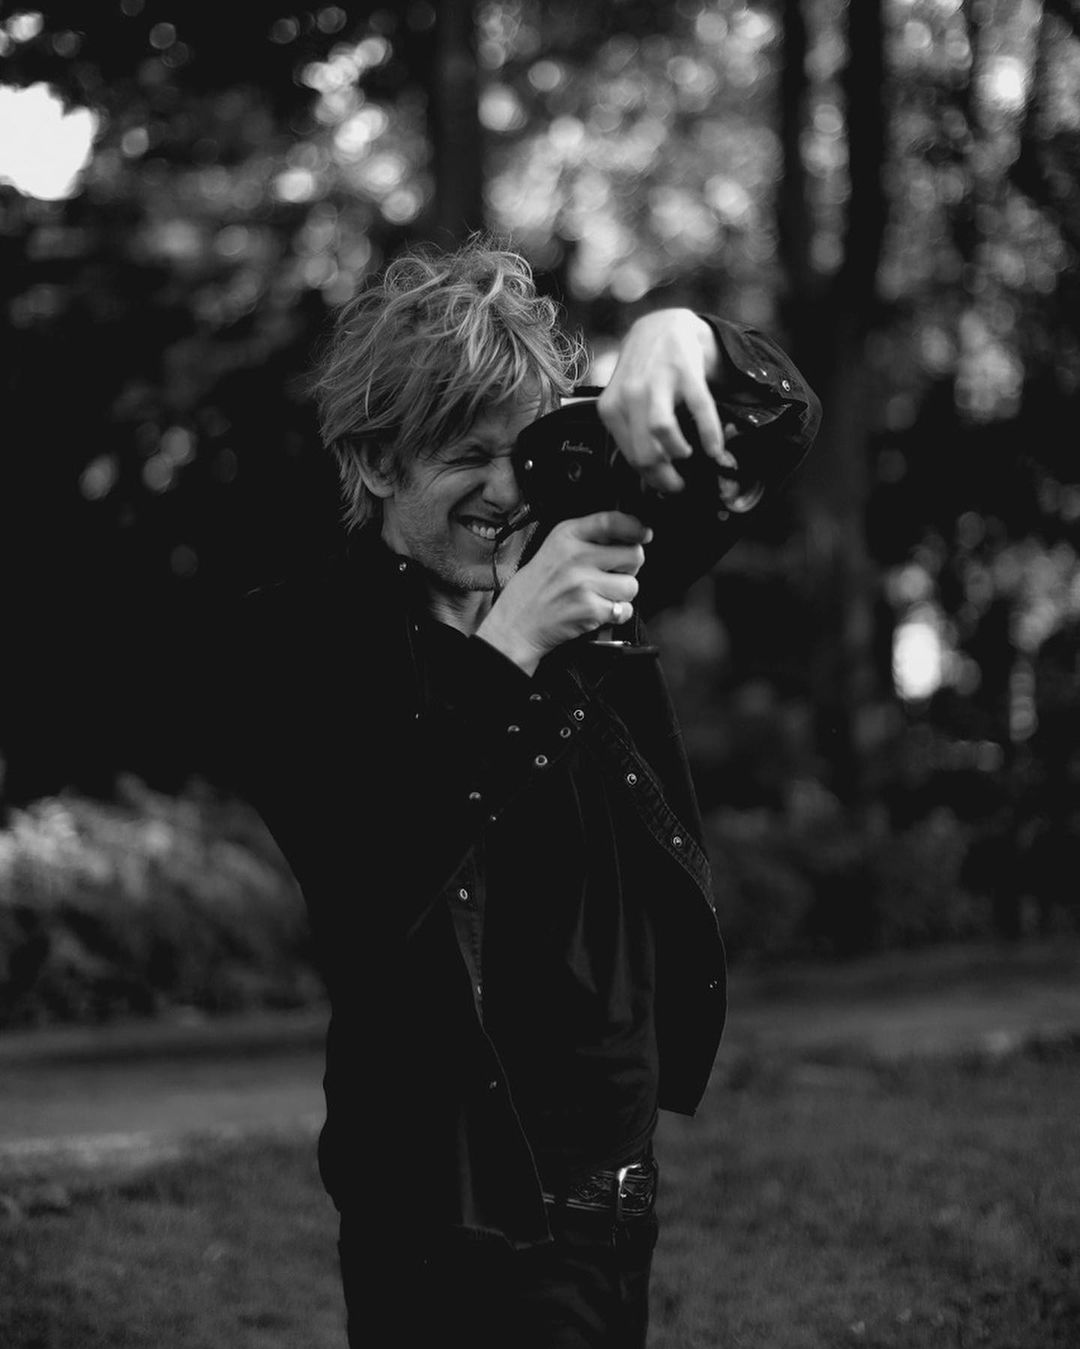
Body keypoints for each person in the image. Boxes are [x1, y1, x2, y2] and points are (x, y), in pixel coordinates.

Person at [229, 240, 820, 1347]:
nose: (506, 492)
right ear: (376, 462)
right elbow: (371, 880)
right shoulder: (295, 642)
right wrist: (509, 648)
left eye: (523, 451)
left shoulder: (580, 551)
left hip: (614, 1198)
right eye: (466, 456)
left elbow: (778, 425)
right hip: (447, 1213)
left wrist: (685, 337)